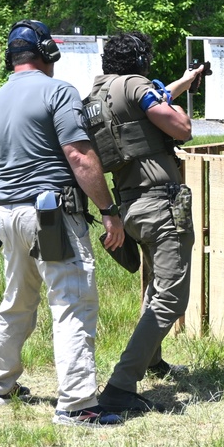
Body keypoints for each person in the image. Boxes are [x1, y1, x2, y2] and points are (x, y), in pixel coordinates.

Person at [0, 19, 127, 428]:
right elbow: (78, 156)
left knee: (17, 298)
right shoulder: (58, 91)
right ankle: (78, 404)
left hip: (7, 212)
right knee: (72, 300)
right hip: (50, 215)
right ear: (47, 52)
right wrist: (109, 210)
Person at [87, 31, 207, 415]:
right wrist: (173, 104)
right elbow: (180, 128)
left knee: (156, 284)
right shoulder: (137, 85)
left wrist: (180, 84)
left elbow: (141, 113)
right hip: (160, 205)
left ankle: (152, 360)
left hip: (130, 205)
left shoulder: (99, 94)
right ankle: (122, 384)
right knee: (171, 296)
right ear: (139, 62)